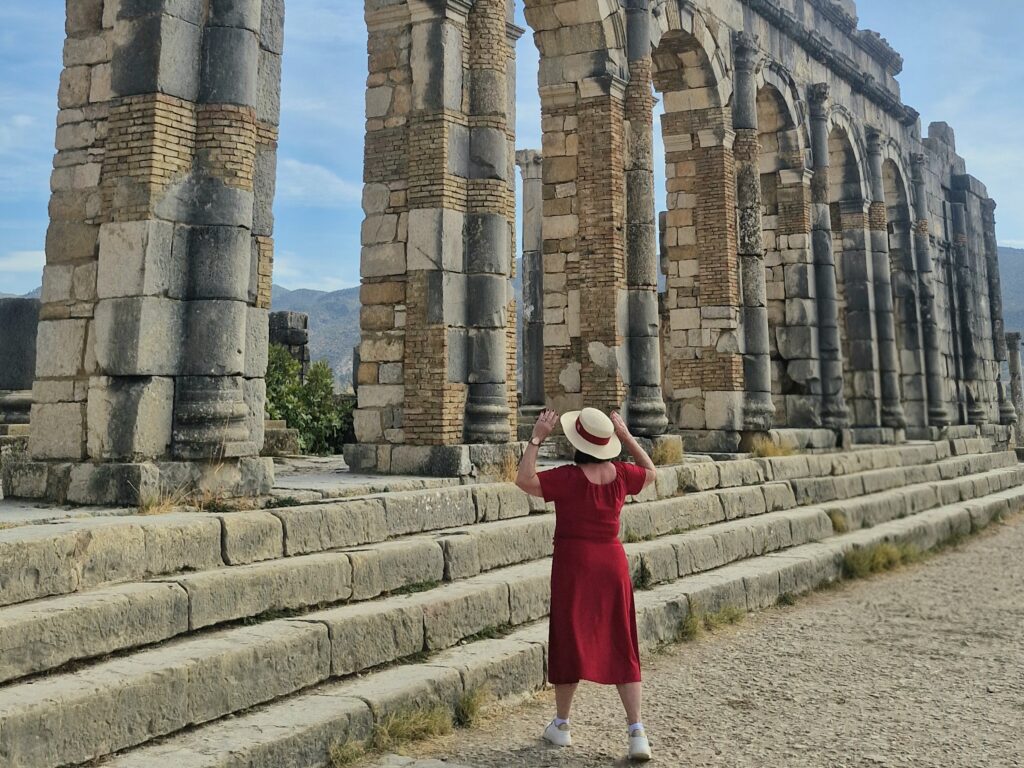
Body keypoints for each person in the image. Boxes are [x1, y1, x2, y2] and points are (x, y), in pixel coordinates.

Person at [515, 406, 657, 762]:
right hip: (612, 564)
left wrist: (536, 438)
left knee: (568, 637)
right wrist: (628, 439)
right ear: (608, 443)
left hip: (574, 565)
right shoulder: (622, 474)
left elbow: (524, 479)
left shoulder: (567, 478)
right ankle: (636, 731)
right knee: (622, 641)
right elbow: (652, 472)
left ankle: (562, 724)